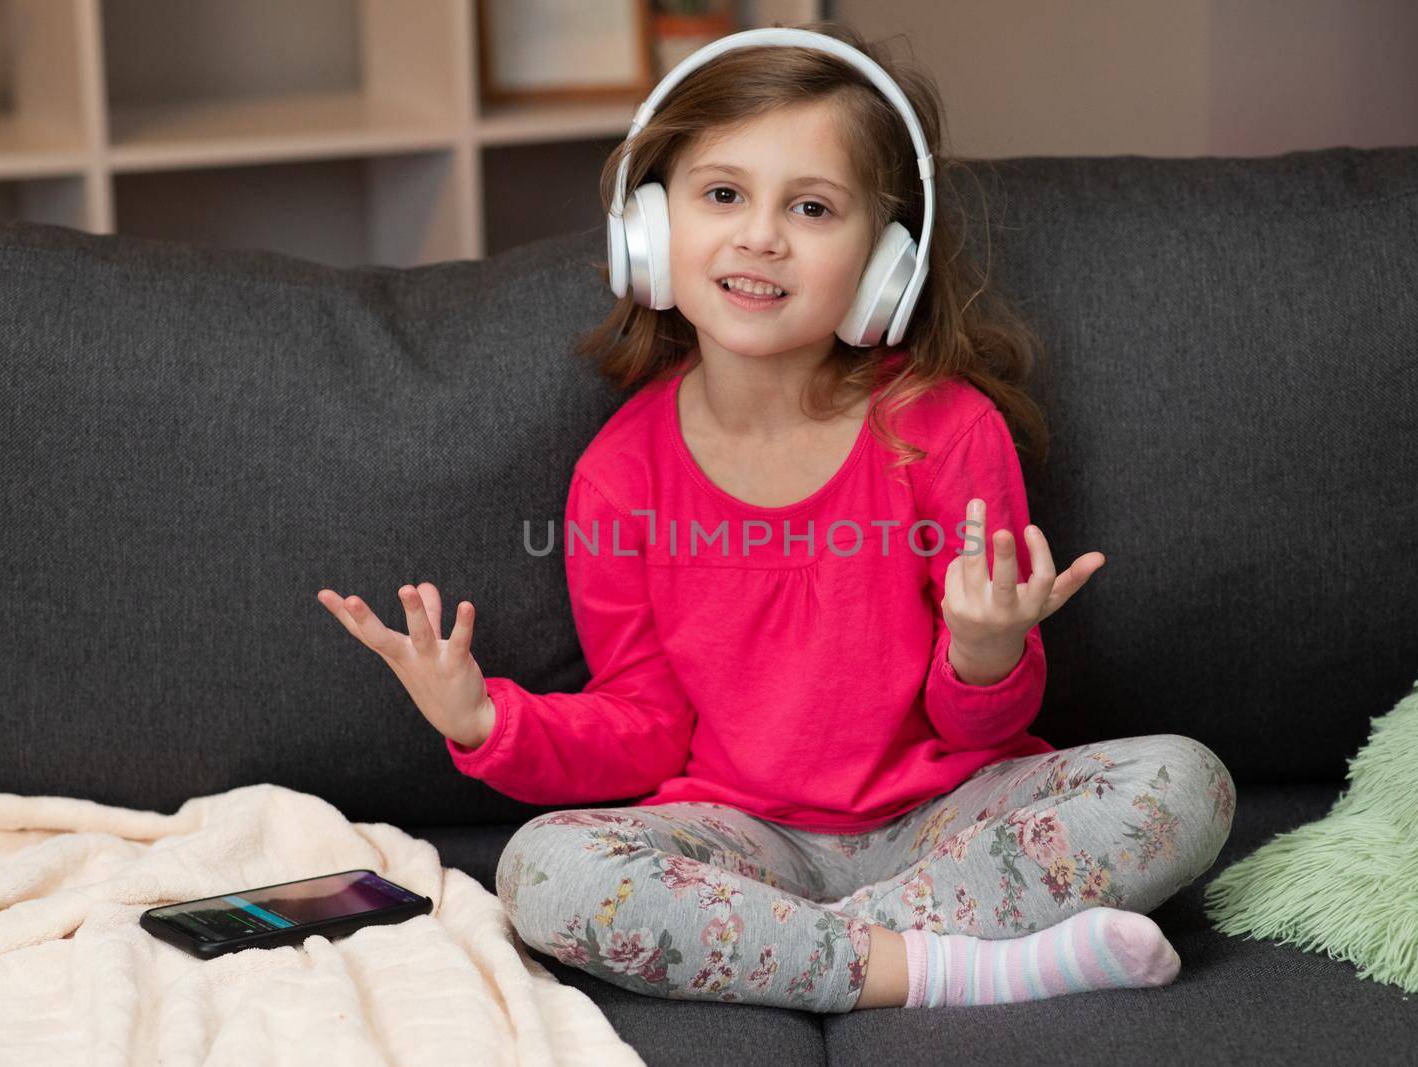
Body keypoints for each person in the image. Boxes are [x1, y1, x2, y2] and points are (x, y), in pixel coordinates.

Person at [318, 21, 1236, 1014]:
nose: (760, 235)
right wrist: (488, 718)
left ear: (885, 262)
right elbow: (642, 728)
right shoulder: (619, 476)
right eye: (722, 195)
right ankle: (953, 966)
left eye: (810, 206)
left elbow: (984, 717)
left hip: (944, 816)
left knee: (1187, 784)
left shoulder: (946, 429)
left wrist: (987, 649)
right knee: (545, 869)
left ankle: (818, 956)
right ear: (650, 229)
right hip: (742, 839)